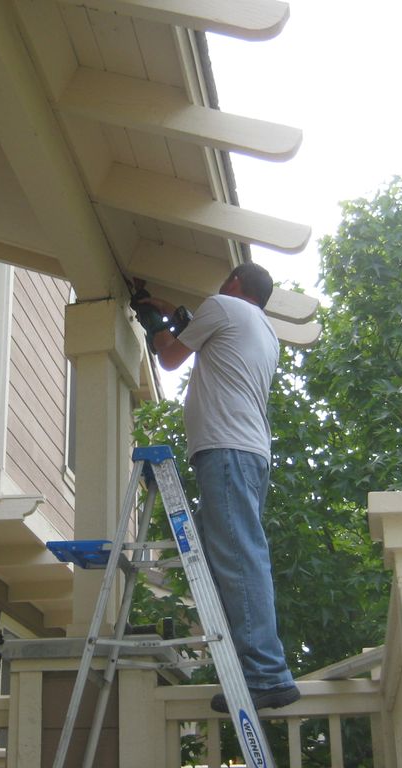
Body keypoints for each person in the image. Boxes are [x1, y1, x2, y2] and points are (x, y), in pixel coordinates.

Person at [135, 262, 299, 712]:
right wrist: (173, 312)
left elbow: (170, 358)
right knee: (229, 559)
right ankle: (255, 669)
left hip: (227, 451)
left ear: (235, 283)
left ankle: (266, 674)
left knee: (239, 559)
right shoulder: (262, 329)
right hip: (247, 453)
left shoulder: (223, 306)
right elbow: (208, 337)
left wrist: (154, 324)